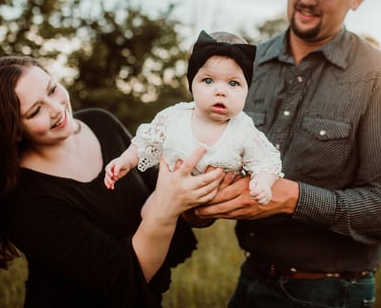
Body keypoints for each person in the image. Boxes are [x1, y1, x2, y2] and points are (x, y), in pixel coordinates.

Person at [196, 0, 381, 307]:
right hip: (250, 279)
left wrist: (292, 198)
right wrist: (199, 203)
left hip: (332, 292)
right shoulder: (246, 66)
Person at [0, 55, 224, 308]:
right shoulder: (25, 199)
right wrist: (168, 205)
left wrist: (199, 185)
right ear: (13, 130)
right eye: (35, 111)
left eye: (52, 89)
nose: (56, 108)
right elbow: (124, 276)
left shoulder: (100, 123)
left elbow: (160, 188)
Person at [105, 30, 283, 205]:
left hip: (218, 197)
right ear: (191, 84)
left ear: (247, 90)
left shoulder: (243, 128)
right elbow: (145, 142)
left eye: (233, 83)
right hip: (172, 190)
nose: (220, 91)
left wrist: (263, 183)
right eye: (208, 81)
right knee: (149, 209)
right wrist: (125, 160)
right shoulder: (174, 117)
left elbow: (266, 161)